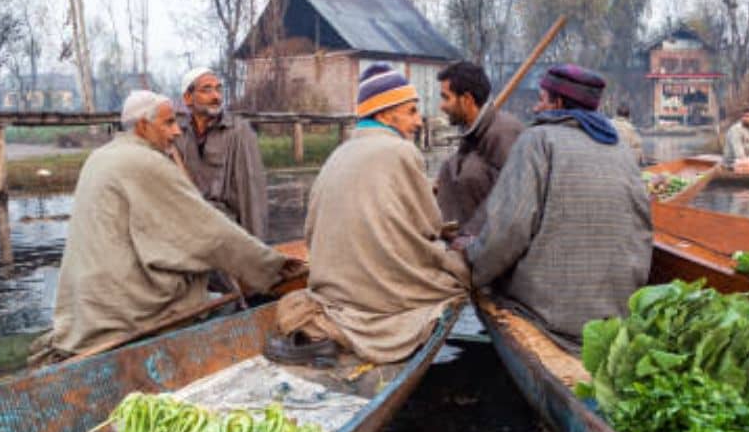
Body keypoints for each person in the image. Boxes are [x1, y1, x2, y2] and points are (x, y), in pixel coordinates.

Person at [36, 90, 298, 357]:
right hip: (123, 312)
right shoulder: (145, 162)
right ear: (142, 126)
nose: (176, 132)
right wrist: (272, 267)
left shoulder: (100, 156)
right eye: (168, 123)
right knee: (227, 304)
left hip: (85, 311)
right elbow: (208, 231)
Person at [267, 63, 469, 366]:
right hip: (378, 291)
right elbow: (429, 226)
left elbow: (311, 232)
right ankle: (372, 326)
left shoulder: (338, 154)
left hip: (332, 289)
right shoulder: (402, 152)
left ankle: (327, 330)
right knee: (459, 275)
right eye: (411, 111)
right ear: (386, 115)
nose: (418, 121)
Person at [457, 64, 653, 352]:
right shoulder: (622, 149)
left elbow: (508, 231)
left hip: (552, 319)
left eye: (541, 99)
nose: (536, 107)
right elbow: (643, 232)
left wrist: (472, 266)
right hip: (616, 315)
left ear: (558, 104)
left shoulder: (538, 140)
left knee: (489, 273)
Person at [173, 66, 269, 240]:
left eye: (218, 89)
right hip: (187, 230)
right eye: (206, 90)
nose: (216, 97)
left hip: (226, 231)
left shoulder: (239, 132)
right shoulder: (178, 134)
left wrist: (256, 247)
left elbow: (252, 195)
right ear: (188, 98)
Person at [433, 60, 523, 236]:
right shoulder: (471, 134)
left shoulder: (503, 134)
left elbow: (510, 202)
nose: (441, 106)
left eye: (446, 97)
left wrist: (470, 240)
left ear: (467, 99)